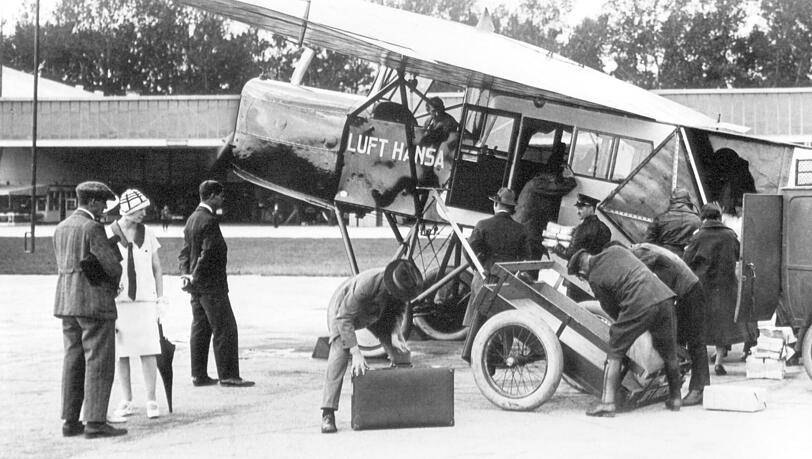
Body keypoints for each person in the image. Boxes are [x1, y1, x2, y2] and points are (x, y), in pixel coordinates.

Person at [568, 245, 683, 417]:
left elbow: (612, 310)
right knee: (669, 350)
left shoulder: (595, 278)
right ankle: (675, 398)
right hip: (664, 297)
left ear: (581, 271)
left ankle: (607, 404)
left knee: (615, 349)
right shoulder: (615, 250)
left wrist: (625, 329)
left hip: (640, 303)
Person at [53, 181, 127, 438]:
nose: (104, 208)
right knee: (98, 360)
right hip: (94, 302)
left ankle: (70, 420)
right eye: (103, 203)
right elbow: (112, 267)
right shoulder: (93, 228)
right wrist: (115, 272)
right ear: (93, 202)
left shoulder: (61, 227)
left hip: (66, 301)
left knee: (73, 360)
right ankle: (95, 422)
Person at [320, 259, 423, 434]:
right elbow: (344, 318)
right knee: (339, 354)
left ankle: (401, 406)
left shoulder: (405, 285)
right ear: (391, 285)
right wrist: (356, 353)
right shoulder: (367, 285)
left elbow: (398, 312)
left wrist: (394, 334)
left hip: (377, 315)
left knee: (402, 354)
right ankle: (327, 413)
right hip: (344, 314)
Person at [178, 180, 254, 388]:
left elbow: (185, 252)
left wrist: (186, 274)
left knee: (200, 328)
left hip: (196, 287)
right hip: (211, 285)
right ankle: (228, 375)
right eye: (220, 195)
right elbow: (209, 252)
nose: (222, 198)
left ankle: (198, 375)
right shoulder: (209, 221)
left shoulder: (192, 219)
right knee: (225, 328)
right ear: (211, 196)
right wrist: (195, 275)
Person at [105, 189, 167, 421]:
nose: (144, 213)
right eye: (139, 210)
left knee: (149, 350)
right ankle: (127, 399)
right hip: (119, 303)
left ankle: (151, 399)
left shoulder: (148, 233)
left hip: (145, 301)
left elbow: (157, 267)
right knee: (122, 353)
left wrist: (160, 298)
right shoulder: (109, 234)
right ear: (127, 211)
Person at [630, 242, 709, 406]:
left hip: (689, 291)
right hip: (687, 290)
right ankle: (675, 388)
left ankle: (698, 389)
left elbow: (651, 281)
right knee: (679, 340)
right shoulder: (643, 249)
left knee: (695, 341)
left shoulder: (639, 254)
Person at [683, 203, 756, 376]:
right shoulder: (730, 235)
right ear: (719, 217)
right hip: (726, 287)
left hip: (703, 287)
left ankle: (697, 365)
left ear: (704, 217)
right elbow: (740, 255)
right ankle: (718, 362)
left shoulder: (698, 236)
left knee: (701, 325)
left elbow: (686, 260)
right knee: (722, 326)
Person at [462, 187, 531, 326]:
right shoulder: (521, 229)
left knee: (477, 321)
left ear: (495, 204)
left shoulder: (483, 225)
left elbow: (468, 250)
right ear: (511, 208)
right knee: (503, 321)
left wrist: (476, 267)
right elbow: (527, 256)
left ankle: (474, 346)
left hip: (485, 276)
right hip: (507, 280)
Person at [513, 170, 576, 263]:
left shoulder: (533, 184)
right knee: (530, 264)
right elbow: (558, 188)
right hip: (530, 230)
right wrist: (570, 179)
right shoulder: (538, 183)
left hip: (525, 227)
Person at [644, 188, 701, 257]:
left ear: (672, 200)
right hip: (684, 263)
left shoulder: (662, 218)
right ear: (688, 201)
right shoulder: (697, 221)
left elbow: (647, 243)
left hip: (662, 259)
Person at [554, 193, 611, 260]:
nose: (577, 212)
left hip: (579, 269)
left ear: (591, 209)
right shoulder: (606, 229)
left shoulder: (582, 229)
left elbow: (571, 255)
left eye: (581, 208)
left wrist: (556, 247)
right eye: (577, 208)